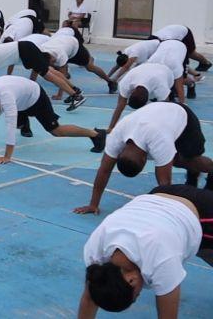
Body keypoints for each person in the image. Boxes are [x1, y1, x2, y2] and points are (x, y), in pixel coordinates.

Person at [78, 185, 213, 318]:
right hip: (159, 195)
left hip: (203, 212)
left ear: (131, 280)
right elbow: (90, 299)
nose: (139, 293)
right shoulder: (96, 252)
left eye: (136, 296)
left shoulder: (161, 260)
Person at [74, 102, 213, 215]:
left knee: (191, 160)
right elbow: (104, 171)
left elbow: (165, 185)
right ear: (120, 153)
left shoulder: (159, 141)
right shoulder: (115, 138)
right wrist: (93, 205)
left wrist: (168, 214)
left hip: (182, 116)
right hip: (159, 115)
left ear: (144, 159)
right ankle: (192, 179)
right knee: (173, 160)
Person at [0, 76, 106, 164]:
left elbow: (9, 125)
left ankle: (96, 134)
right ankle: (24, 123)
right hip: (21, 98)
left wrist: (7, 156)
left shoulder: (5, 97)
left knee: (56, 131)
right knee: (18, 119)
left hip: (35, 97)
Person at [106, 63, 175, 131]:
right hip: (146, 66)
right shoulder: (125, 83)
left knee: (162, 109)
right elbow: (120, 106)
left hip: (166, 72)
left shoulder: (161, 87)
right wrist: (111, 128)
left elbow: (166, 109)